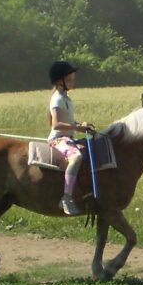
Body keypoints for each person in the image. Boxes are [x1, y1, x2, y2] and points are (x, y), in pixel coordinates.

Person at [47, 60, 93, 217]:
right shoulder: (58, 99)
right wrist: (76, 127)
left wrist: (81, 125)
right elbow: (56, 124)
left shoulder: (66, 99)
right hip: (58, 139)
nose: (73, 82)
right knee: (76, 157)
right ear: (60, 81)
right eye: (70, 79)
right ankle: (66, 197)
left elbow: (68, 122)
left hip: (67, 137)